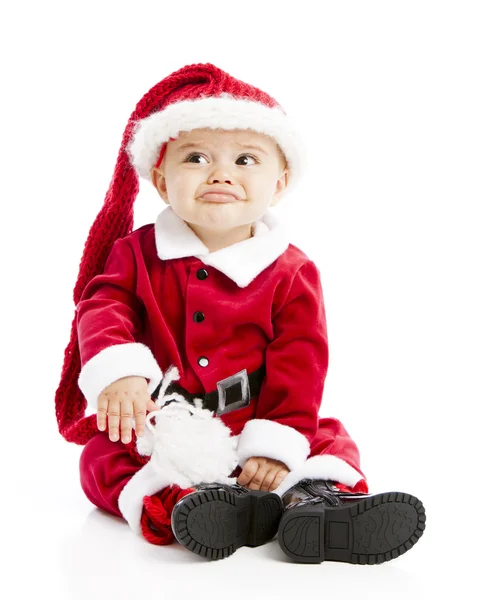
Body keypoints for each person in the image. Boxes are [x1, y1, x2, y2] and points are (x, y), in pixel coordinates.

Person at [55, 62, 426, 564]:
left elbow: (302, 361)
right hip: (166, 422)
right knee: (102, 459)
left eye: (246, 159)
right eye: (196, 157)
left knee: (326, 436)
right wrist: (119, 371)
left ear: (280, 183)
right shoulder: (136, 253)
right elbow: (103, 305)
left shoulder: (291, 271)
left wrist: (276, 442)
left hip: (261, 414)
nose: (221, 173)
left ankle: (314, 502)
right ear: (162, 182)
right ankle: (182, 504)